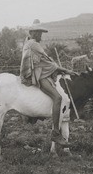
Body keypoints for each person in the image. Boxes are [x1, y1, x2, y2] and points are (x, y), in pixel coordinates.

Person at [20, 19, 76, 147]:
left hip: (39, 72)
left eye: (41, 33)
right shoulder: (34, 44)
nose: (41, 36)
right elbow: (48, 61)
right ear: (33, 33)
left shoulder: (28, 43)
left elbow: (42, 61)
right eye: (39, 33)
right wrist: (64, 70)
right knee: (58, 98)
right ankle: (55, 133)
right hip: (39, 76)